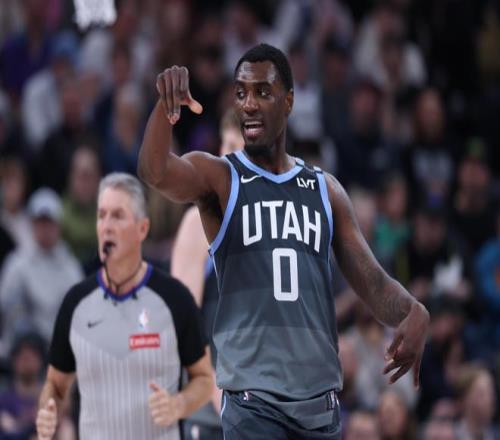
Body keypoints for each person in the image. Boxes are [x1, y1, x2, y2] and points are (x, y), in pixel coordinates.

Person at [138, 43, 430, 438]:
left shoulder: (325, 190)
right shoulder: (221, 178)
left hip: (320, 407)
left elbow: (373, 284)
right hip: (254, 404)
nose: (249, 104)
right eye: (241, 93)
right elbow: (155, 171)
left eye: (262, 92)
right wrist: (164, 107)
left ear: (289, 101)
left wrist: (413, 311)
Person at [35, 173, 213, 440]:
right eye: (101, 215)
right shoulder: (75, 303)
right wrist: (48, 409)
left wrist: (178, 405)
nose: (107, 226)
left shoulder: (174, 298)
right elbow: (56, 385)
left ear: (142, 229)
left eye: (117, 216)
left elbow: (204, 379)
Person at [171, 108, 244, 440]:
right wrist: (215, 389)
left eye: (238, 149)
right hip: (212, 405)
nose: (227, 157)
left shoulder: (268, 223)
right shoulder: (196, 223)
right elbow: (184, 322)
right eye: (226, 145)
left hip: (263, 404)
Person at [0, 187, 83, 353]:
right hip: (20, 350)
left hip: (57, 349)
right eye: (40, 222)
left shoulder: (70, 267)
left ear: (58, 226)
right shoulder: (17, 263)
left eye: (49, 223)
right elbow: (5, 305)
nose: (45, 229)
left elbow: (79, 313)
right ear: (32, 225)